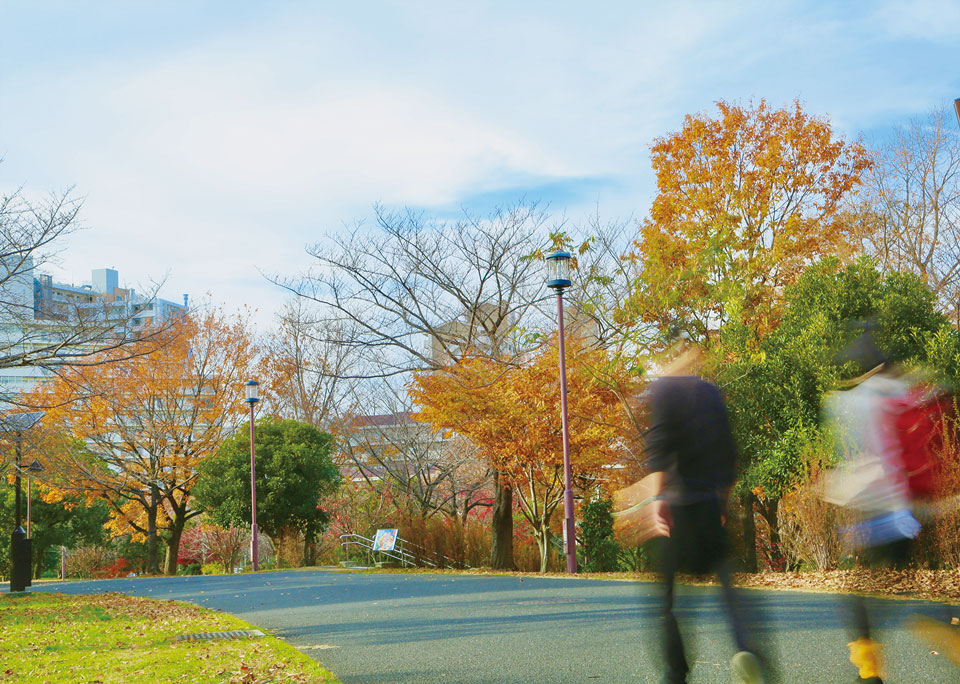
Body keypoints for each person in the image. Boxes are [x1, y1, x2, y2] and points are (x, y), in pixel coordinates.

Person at [615, 339, 769, 684]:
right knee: (730, 587)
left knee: (667, 600)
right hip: (708, 506)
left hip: (676, 508)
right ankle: (746, 648)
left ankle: (676, 672)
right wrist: (722, 503)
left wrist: (656, 501)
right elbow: (728, 450)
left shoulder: (665, 391)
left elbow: (660, 446)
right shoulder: (711, 393)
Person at [822, 329, 920, 684]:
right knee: (886, 588)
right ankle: (937, 621)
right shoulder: (905, 394)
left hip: (876, 512)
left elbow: (850, 454)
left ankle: (869, 671)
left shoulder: (849, 402)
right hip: (909, 509)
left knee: (857, 590)